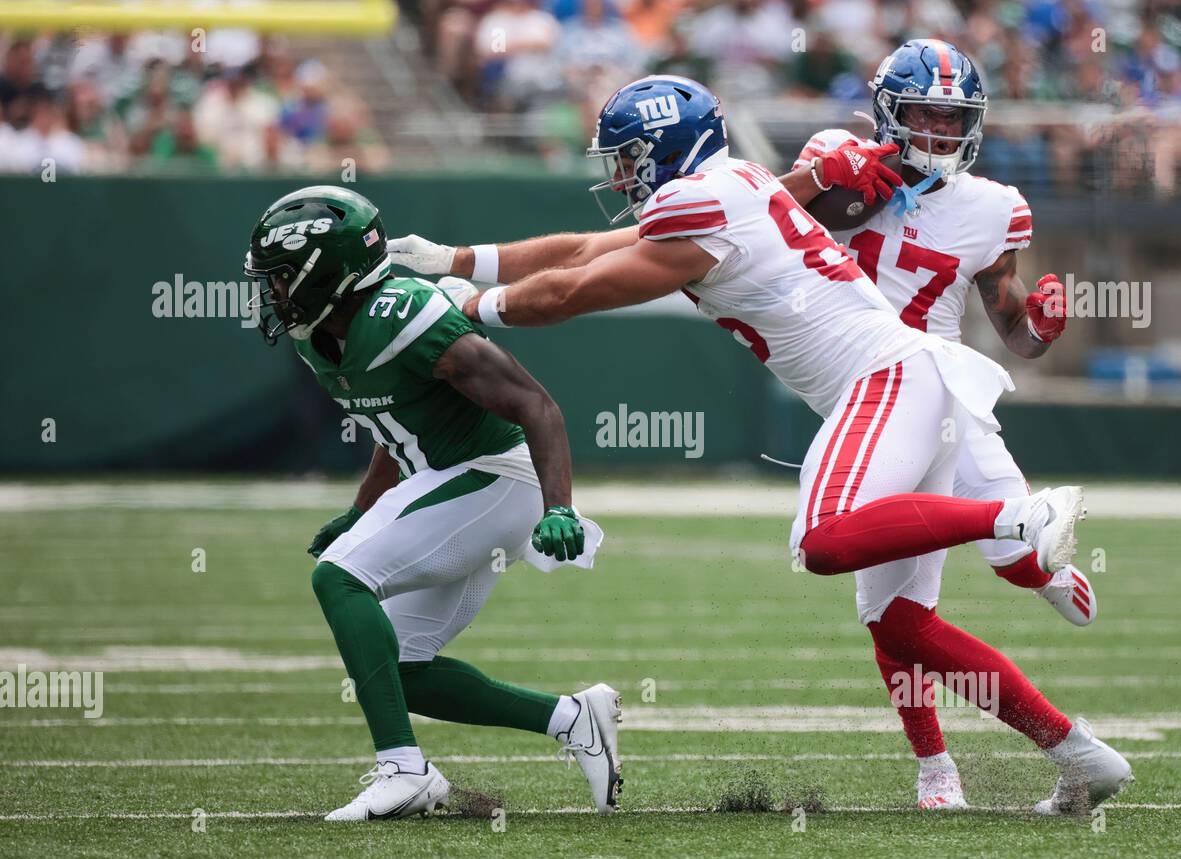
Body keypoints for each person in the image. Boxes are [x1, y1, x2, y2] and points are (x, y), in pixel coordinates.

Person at [386, 75, 1133, 816]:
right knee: (900, 625)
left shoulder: (700, 204)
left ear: (665, 149)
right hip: (902, 383)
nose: (618, 174)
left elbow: (568, 293)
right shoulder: (730, 180)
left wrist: (463, 310)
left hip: (887, 378)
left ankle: (1013, 520)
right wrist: (454, 261)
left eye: (628, 156)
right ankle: (1078, 753)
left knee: (822, 541)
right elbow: (584, 248)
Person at [244, 185, 622, 821]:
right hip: (456, 483)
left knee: (340, 577)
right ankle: (573, 718)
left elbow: (537, 405)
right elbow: (395, 426)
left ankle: (404, 768)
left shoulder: (404, 314)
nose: (272, 294)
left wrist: (561, 507)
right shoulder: (319, 333)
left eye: (282, 278)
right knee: (403, 665)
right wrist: (364, 508)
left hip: (496, 478)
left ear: (328, 272)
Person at [785, 39, 1097, 808]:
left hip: (946, 395)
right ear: (889, 109)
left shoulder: (991, 207)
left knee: (1011, 563)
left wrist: (1043, 332)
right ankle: (935, 766)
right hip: (866, 396)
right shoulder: (838, 156)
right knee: (890, 615)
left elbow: (1013, 331)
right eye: (924, 113)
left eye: (953, 117)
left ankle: (1044, 567)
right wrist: (820, 179)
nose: (938, 130)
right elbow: (759, 219)